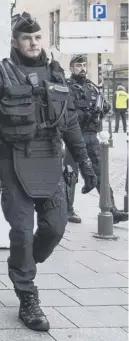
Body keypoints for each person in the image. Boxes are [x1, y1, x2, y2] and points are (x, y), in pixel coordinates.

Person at [0, 12, 98, 331]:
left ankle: (22, 263)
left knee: (55, 228)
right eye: (27, 38)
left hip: (50, 161)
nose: (33, 42)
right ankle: (28, 297)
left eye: (38, 37)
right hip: (13, 161)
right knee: (22, 232)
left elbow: (69, 124)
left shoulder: (56, 75)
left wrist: (86, 165)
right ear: (15, 41)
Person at [66, 55, 127, 224]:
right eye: (78, 65)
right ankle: (67, 210)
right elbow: (65, 111)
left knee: (101, 173)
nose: (82, 68)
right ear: (71, 68)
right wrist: (84, 114)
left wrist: (103, 109)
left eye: (84, 65)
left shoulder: (92, 87)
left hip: (92, 136)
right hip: (74, 135)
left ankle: (111, 209)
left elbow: (104, 105)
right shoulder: (67, 87)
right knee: (70, 174)